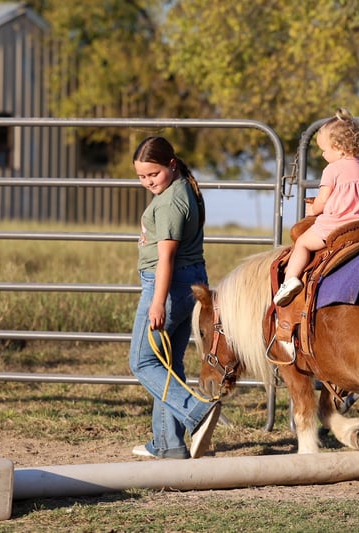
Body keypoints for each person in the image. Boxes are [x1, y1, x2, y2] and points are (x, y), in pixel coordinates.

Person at [128, 136, 221, 459]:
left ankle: (196, 410)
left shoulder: (169, 203)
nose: (148, 182)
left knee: (142, 361)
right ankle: (168, 443)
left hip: (167, 286)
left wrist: (158, 302)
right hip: (191, 282)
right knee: (168, 363)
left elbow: (166, 258)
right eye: (141, 176)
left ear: (171, 164)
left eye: (153, 174)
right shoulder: (184, 189)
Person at [273, 108, 359, 306]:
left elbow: (322, 201)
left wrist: (314, 210)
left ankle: (290, 281)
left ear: (338, 148)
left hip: (340, 224)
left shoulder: (332, 169)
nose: (322, 154)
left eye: (324, 150)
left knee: (302, 243)